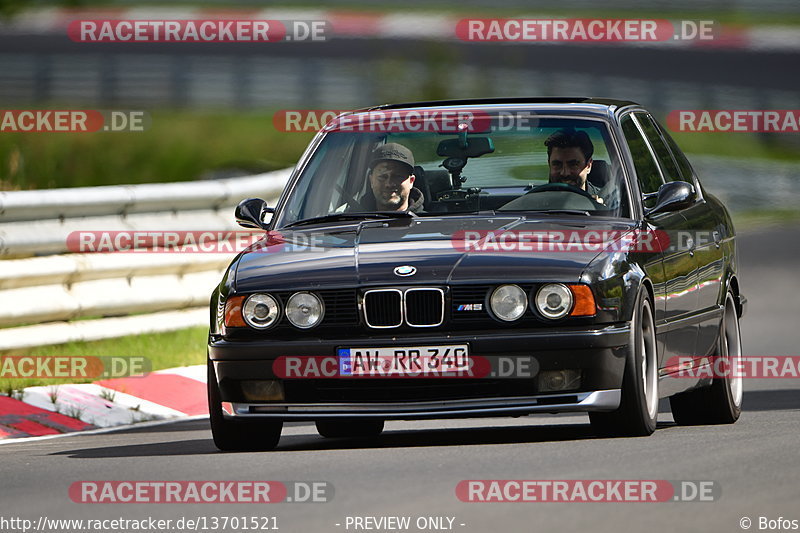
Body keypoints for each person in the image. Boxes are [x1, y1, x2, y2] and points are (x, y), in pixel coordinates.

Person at [544, 128, 604, 204]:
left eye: (573, 165)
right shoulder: (532, 206)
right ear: (549, 164)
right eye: (557, 164)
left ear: (588, 165)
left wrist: (599, 212)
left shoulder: (608, 205)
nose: (565, 173)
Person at [366, 143, 424, 212]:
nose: (389, 184)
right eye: (382, 177)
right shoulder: (352, 220)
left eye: (397, 176)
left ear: (411, 181)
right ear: (371, 181)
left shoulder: (429, 222)